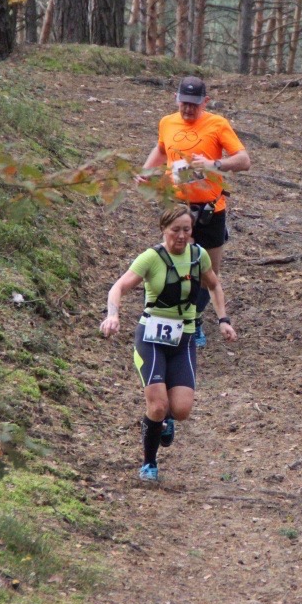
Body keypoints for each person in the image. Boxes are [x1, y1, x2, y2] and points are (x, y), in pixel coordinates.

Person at [100, 205, 238, 482]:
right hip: (150, 338)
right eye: (175, 230)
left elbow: (214, 285)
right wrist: (112, 315)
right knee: (157, 406)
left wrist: (223, 319)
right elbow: (119, 287)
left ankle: (165, 421)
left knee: (182, 410)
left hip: (183, 338)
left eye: (187, 230)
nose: (181, 236)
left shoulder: (198, 256)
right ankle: (149, 463)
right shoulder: (151, 258)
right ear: (163, 230)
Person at [140, 76, 251, 349]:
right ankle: (177, 319)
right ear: (176, 99)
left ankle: (197, 317)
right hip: (178, 207)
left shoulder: (217, 124)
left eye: (194, 104)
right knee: (180, 266)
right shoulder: (167, 122)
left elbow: (244, 160)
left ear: (206, 102)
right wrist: (146, 171)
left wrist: (214, 164)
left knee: (208, 270)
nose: (188, 109)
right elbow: (161, 149)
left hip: (211, 208)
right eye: (184, 103)